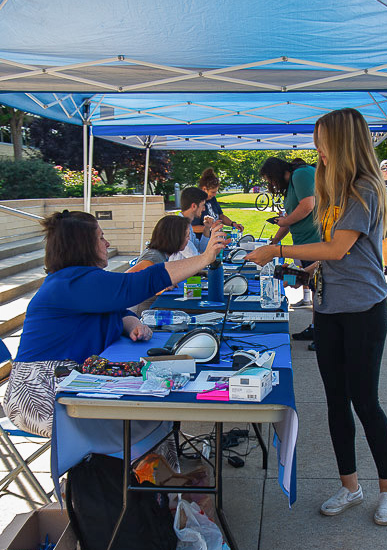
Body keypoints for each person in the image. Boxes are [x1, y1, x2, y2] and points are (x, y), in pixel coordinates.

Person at [247, 108, 387, 526]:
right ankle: (350, 485)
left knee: (365, 402)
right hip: (330, 307)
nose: (317, 150)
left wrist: (277, 251)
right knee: (336, 402)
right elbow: (335, 253)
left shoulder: (365, 188)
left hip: (365, 309)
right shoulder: (332, 188)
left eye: (322, 141)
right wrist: (308, 269)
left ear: (342, 141)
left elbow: (337, 249)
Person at [2, 210, 227, 438]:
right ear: (83, 245)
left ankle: (156, 471)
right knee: (143, 407)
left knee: (154, 395)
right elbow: (138, 283)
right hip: (42, 393)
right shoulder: (71, 283)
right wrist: (204, 258)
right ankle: (136, 471)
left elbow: (118, 310)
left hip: (71, 378)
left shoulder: (75, 280)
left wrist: (131, 324)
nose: (107, 243)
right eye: (100, 238)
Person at [259, 155, 319, 347]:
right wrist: (274, 241)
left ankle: (321, 332)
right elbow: (290, 218)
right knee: (306, 280)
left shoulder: (300, 174)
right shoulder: (293, 183)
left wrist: (285, 221)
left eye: (270, 180)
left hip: (315, 242)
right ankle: (316, 328)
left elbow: (308, 206)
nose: (271, 185)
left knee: (319, 287)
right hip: (304, 244)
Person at [126, 214, 191, 316]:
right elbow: (126, 281)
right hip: (140, 316)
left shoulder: (161, 254)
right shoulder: (153, 257)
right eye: (187, 236)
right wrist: (161, 287)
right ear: (175, 237)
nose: (189, 239)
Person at [191, 168, 244, 235]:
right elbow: (192, 227)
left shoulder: (212, 199)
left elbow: (221, 216)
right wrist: (209, 227)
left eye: (216, 192)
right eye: (213, 192)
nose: (215, 194)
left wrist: (233, 224)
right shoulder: (197, 203)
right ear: (204, 189)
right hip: (203, 242)